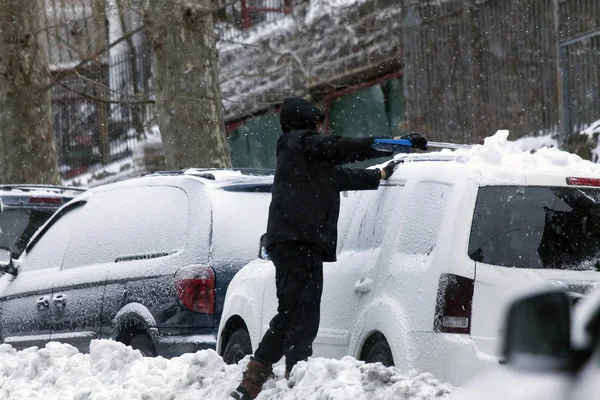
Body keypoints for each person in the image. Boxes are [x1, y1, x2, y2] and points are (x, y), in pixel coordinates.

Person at [231, 97, 427, 400]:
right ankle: (297, 379)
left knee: (291, 313)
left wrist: (381, 173)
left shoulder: (304, 157)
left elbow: (340, 177)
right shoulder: (299, 142)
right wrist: (394, 143)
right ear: (303, 122)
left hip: (292, 243)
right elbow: (342, 147)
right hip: (298, 243)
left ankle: (252, 382)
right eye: (316, 122)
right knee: (304, 315)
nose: (320, 128)